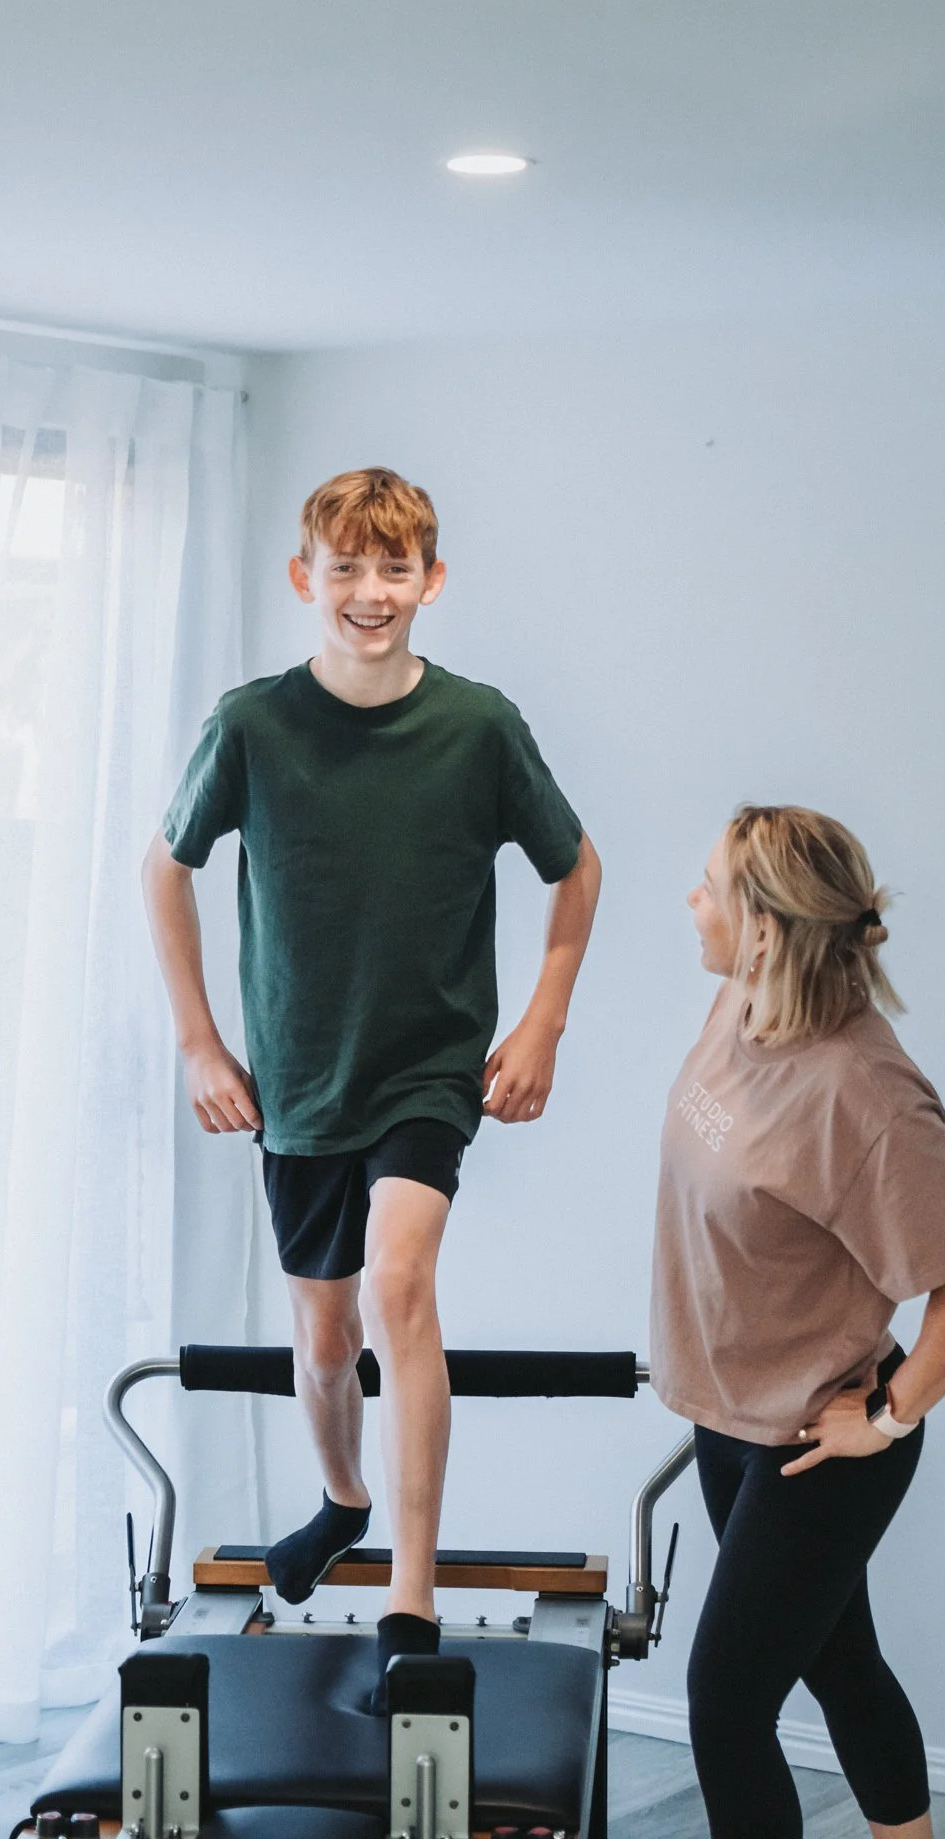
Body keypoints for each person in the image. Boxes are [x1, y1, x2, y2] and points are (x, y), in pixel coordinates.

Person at [143, 466, 601, 1704]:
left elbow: (577, 865)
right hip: (296, 1073)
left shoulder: (480, 726)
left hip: (429, 1068)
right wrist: (199, 1042)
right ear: (307, 579)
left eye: (394, 568)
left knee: (400, 1279)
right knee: (326, 1330)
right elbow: (164, 866)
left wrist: (543, 1019)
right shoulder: (250, 726)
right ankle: (342, 1496)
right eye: (345, 567)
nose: (370, 590)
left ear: (431, 582)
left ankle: (410, 1587)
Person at [650, 804, 945, 1839]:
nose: (690, 901)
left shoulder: (866, 1092)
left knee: (726, 1706)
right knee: (840, 1659)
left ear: (763, 927)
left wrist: (891, 1414)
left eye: (710, 888)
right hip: (733, 1420)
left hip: (819, 1445)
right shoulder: (740, 1004)